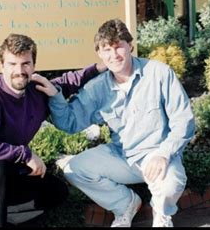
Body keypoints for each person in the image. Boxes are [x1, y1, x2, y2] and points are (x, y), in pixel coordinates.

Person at [36, 19, 195, 227]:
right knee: (74, 169)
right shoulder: (97, 88)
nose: (114, 54)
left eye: (119, 46)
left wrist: (164, 154)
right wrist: (55, 95)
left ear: (130, 46)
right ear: (100, 54)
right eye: (106, 49)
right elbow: (70, 122)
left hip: (156, 155)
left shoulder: (159, 73)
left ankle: (161, 215)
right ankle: (125, 205)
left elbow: (184, 120)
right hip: (121, 156)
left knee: (171, 185)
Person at [0, 33, 105, 227]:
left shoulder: (36, 90)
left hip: (3, 167)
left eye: (25, 63)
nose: (19, 71)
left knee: (55, 191)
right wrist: (25, 155)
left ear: (33, 65)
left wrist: (103, 66)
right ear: (2, 66)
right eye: (12, 64)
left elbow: (69, 81)